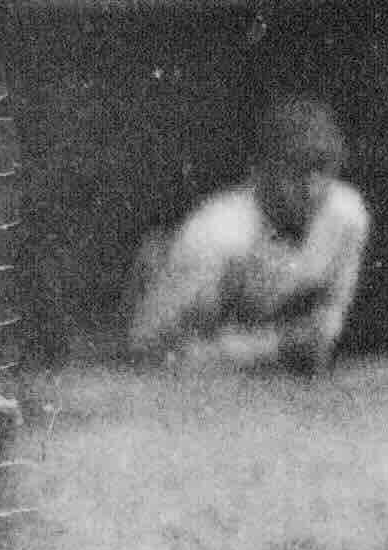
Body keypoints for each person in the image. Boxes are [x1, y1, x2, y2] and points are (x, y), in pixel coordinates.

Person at [123, 91, 370, 376]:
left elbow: (326, 328)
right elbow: (148, 349)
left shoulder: (347, 215)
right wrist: (271, 347)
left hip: (253, 356)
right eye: (296, 172)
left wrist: (300, 343)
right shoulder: (216, 234)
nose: (312, 190)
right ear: (260, 171)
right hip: (174, 348)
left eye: (324, 169)